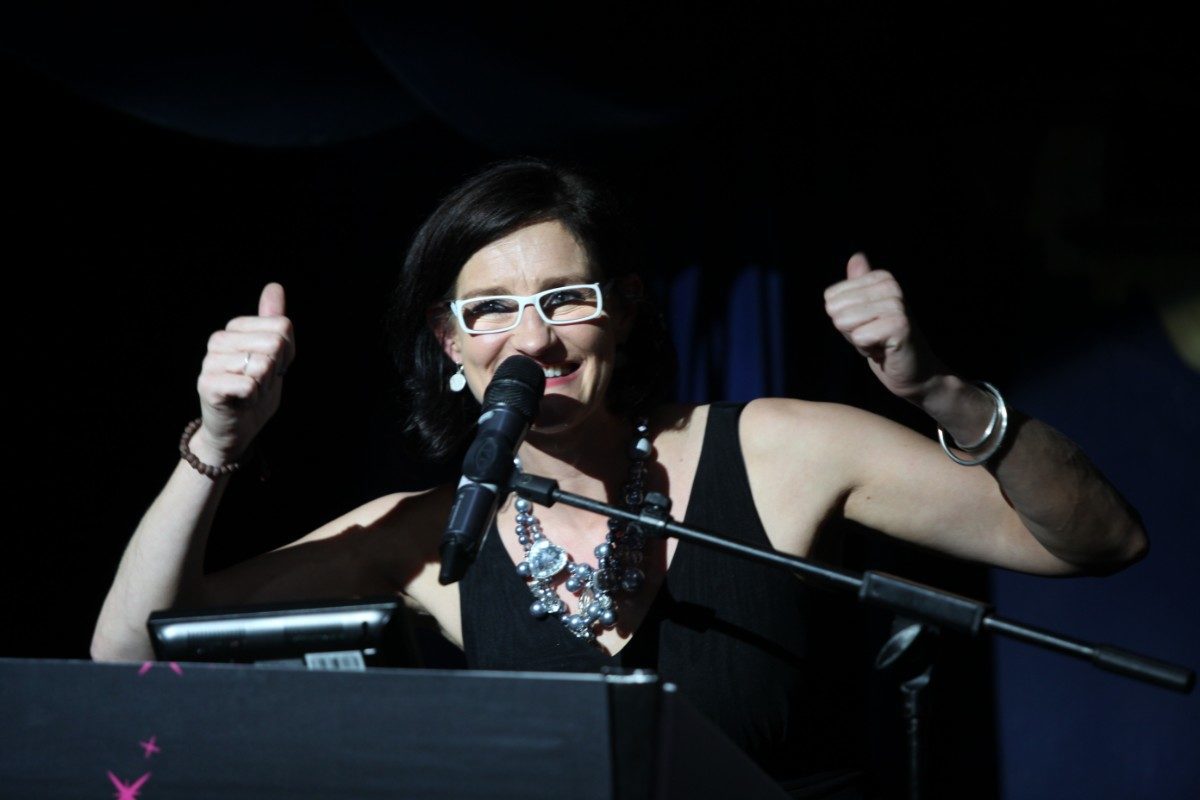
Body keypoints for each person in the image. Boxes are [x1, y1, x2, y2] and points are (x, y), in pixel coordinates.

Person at [90, 158, 1146, 795]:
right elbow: (130, 648)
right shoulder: (421, 533)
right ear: (449, 344)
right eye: (490, 311)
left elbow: (1096, 540)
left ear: (626, 311)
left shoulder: (778, 449)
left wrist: (944, 391)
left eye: (567, 298)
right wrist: (217, 439)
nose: (532, 340)